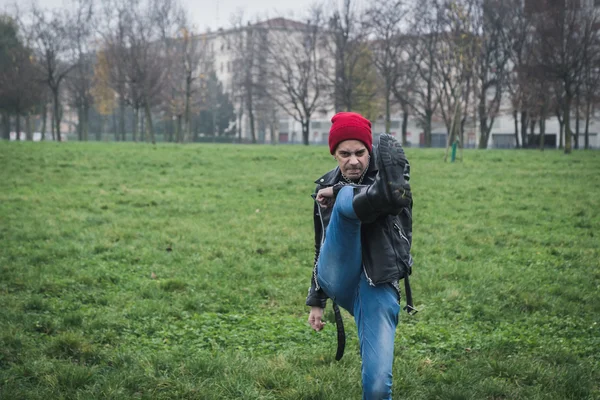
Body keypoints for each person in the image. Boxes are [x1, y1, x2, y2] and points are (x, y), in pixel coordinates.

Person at [306, 111, 414, 400]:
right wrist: (316, 300)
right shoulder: (325, 188)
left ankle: (377, 194)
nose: (352, 161)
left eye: (360, 153)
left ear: (370, 152)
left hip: (377, 284)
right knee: (342, 200)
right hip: (339, 277)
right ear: (334, 154)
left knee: (377, 387)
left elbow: (393, 209)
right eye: (344, 154)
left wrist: (340, 189)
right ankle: (368, 194)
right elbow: (322, 245)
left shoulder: (396, 181)